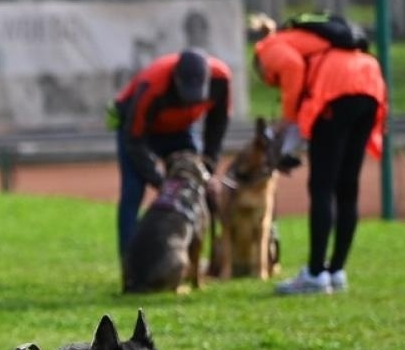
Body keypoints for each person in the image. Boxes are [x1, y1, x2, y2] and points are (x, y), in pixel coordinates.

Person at [252, 18, 387, 295]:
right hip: (370, 80)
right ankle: (335, 270)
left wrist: (288, 119)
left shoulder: (269, 47)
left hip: (336, 85)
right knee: (347, 186)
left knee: (322, 186)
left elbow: (291, 67)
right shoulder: (317, 40)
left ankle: (315, 274)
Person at [112, 48, 231, 257]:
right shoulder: (152, 85)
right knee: (133, 192)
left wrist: (208, 165)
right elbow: (134, 139)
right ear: (175, 78)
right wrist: (160, 182)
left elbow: (217, 125)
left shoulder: (221, 79)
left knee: (199, 188)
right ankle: (131, 265)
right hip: (138, 132)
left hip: (179, 130)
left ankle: (196, 260)